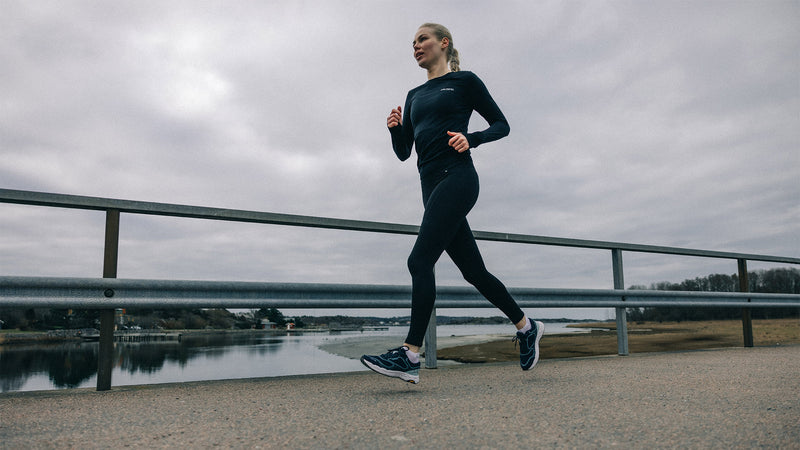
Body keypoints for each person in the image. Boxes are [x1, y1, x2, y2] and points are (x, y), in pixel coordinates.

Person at [360, 23, 544, 384]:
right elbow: (403, 154)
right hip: (430, 186)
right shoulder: (413, 95)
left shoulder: (465, 82)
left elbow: (502, 124)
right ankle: (527, 327)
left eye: (422, 39)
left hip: (458, 177)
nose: (415, 46)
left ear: (443, 43)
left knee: (419, 260)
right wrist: (395, 129)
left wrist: (470, 139)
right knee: (473, 272)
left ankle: (410, 354)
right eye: (412, 42)